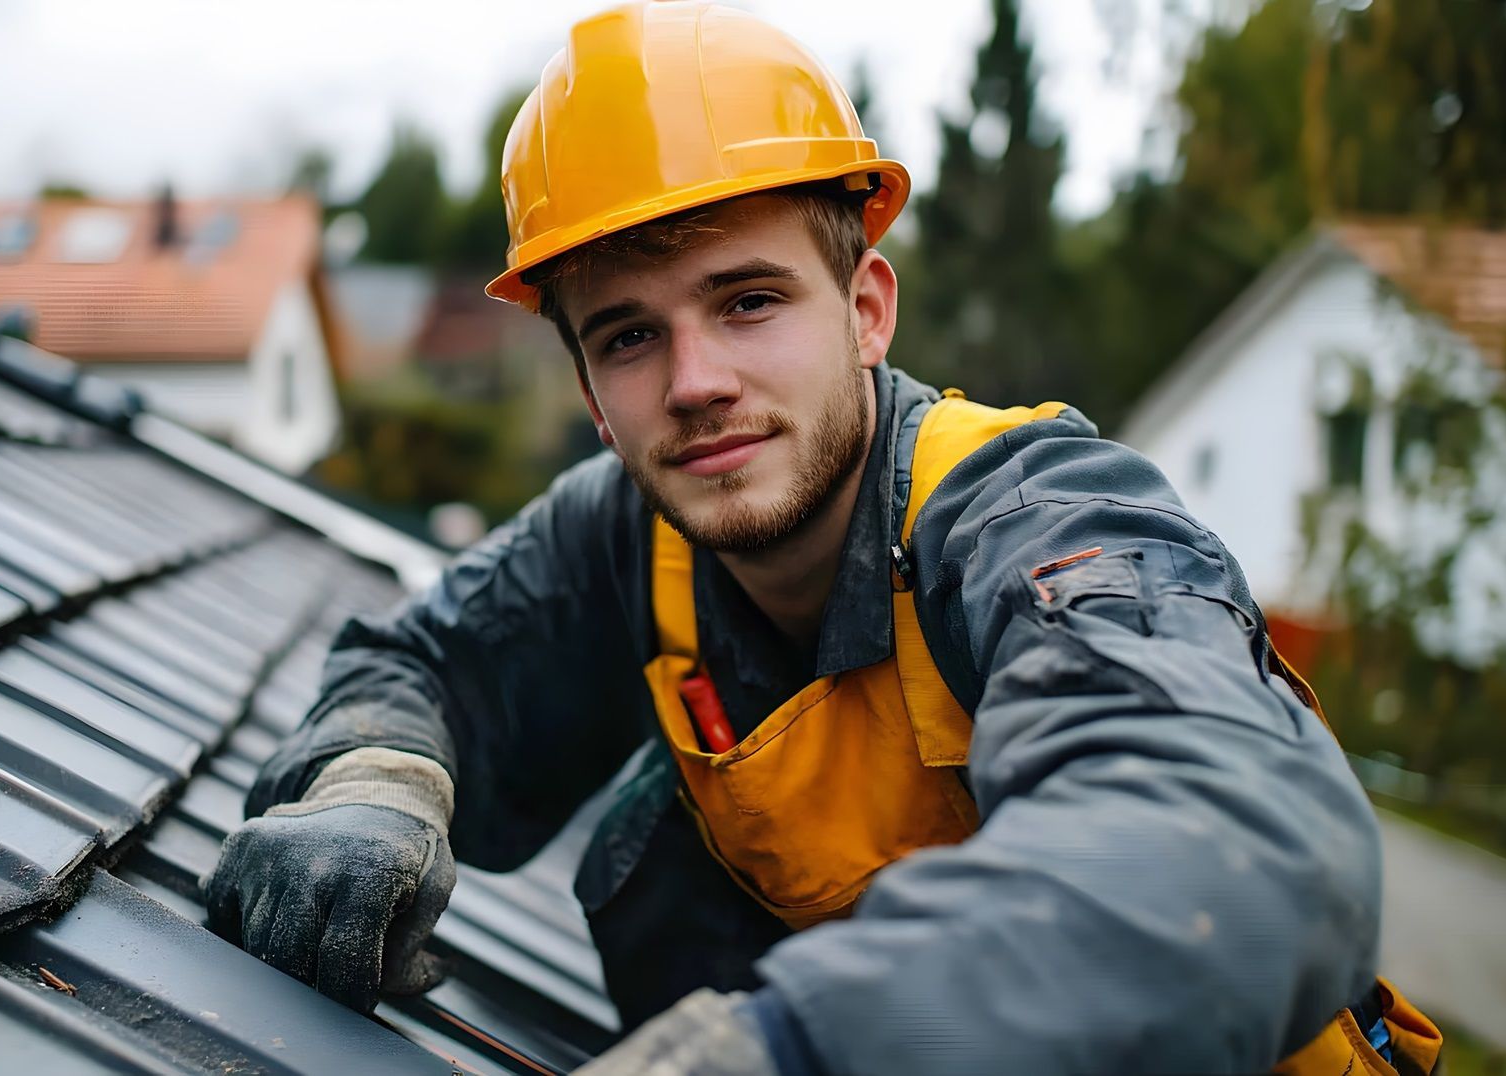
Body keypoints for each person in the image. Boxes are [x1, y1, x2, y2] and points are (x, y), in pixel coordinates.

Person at [205, 3, 1443, 1072]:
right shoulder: (630, 534)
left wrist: (791, 1047)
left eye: (747, 301)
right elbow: (419, 659)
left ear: (865, 311)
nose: (695, 381)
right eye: (628, 335)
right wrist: (373, 781)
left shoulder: (1036, 522)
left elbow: (1244, 849)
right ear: (590, 390)